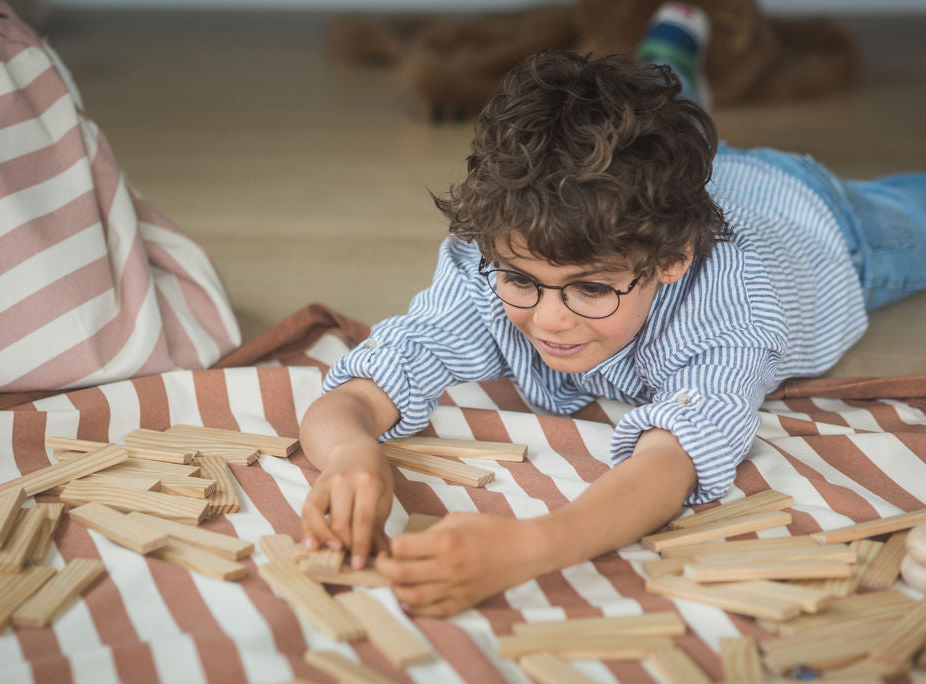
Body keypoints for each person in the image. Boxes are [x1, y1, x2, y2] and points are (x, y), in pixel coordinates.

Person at [298, 2, 926, 617]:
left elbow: (671, 463)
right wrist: (354, 453)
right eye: (522, 280)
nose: (549, 320)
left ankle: (677, 67)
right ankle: (672, 53)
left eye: (591, 290)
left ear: (673, 261)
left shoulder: (733, 310)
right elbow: (359, 388)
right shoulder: (491, 259)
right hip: (685, 190)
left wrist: (528, 546)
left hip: (820, 221)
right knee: (657, 119)